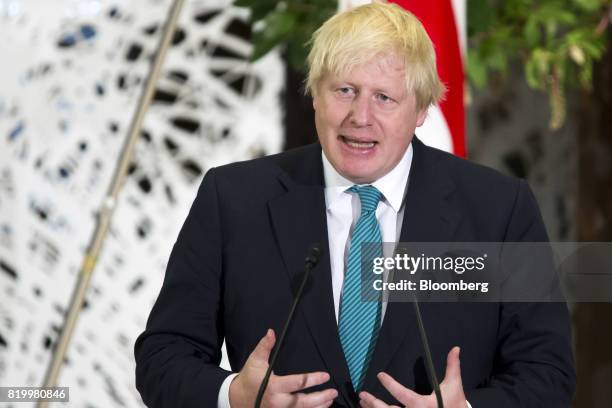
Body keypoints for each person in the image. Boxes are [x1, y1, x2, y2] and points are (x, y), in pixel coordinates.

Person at [134, 2, 575, 407]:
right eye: (344, 90)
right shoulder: (233, 200)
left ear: (421, 109)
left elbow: (547, 373)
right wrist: (233, 395)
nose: (360, 117)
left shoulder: (499, 210)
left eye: (384, 97)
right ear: (315, 94)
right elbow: (162, 356)